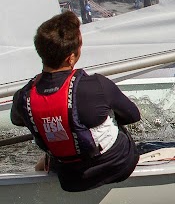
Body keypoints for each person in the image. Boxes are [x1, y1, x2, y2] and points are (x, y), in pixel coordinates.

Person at [10, 11, 141, 192]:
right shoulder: (97, 85)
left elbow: (17, 120)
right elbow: (133, 116)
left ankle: (46, 164)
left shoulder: (22, 97)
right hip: (118, 166)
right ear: (71, 58)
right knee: (112, 119)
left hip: (71, 180)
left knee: (51, 138)